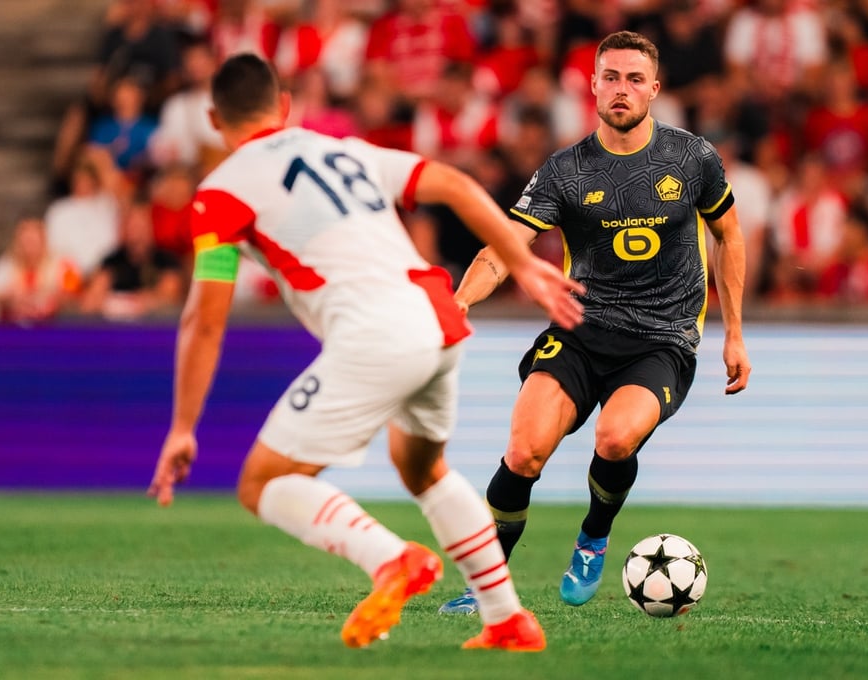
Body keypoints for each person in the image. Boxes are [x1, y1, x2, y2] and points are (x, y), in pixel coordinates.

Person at [146, 54, 585, 651]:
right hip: (438, 318)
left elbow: (204, 320)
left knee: (262, 483)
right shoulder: (344, 150)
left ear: (214, 120)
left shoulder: (220, 194)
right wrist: (522, 265)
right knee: (422, 468)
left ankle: (390, 559)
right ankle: (507, 619)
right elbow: (455, 185)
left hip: (376, 331)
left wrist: (183, 427)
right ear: (284, 107)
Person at [438, 31, 751, 614]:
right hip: (579, 331)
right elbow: (504, 249)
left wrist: (734, 333)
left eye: (634, 79)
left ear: (654, 89)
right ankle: (486, 584)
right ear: (593, 86)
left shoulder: (692, 158)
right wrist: (459, 302)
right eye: (611, 77)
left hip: (662, 338)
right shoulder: (566, 171)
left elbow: (728, 235)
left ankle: (593, 537)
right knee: (524, 452)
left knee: (614, 437)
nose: (621, 89)